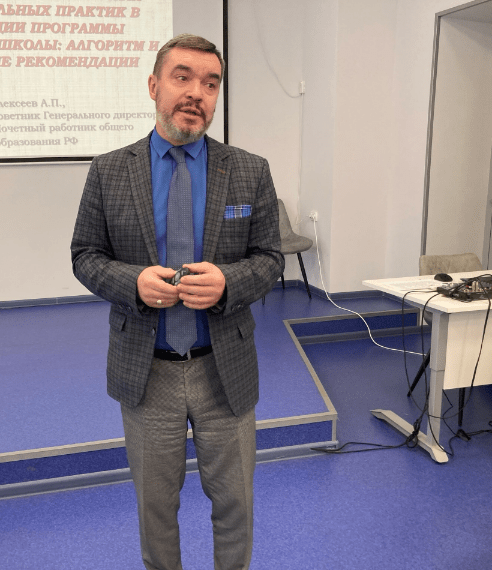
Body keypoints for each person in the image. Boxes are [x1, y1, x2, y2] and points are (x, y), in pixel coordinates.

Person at [71, 33, 283, 570]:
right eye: (182, 77)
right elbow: (86, 256)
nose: (196, 93)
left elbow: (269, 259)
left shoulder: (250, 170)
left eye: (210, 84)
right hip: (148, 372)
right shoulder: (109, 171)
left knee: (236, 505)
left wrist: (229, 283)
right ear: (153, 86)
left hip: (224, 367)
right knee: (156, 510)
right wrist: (134, 283)